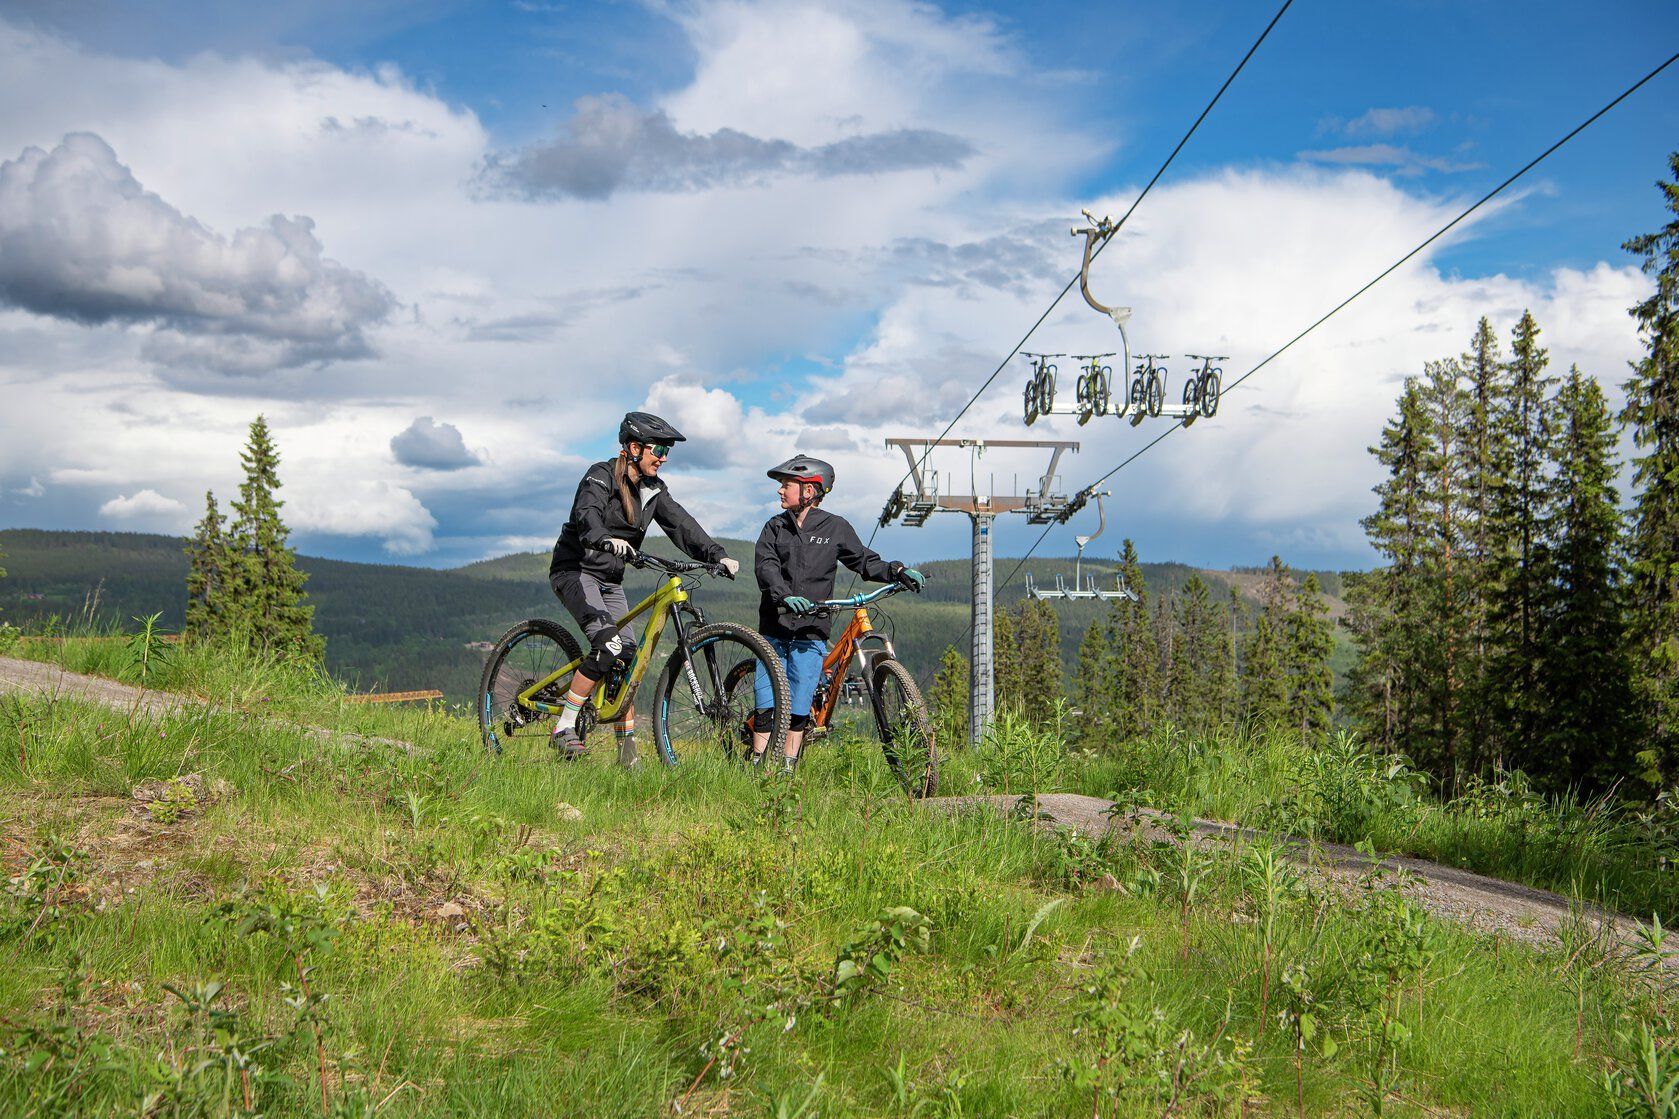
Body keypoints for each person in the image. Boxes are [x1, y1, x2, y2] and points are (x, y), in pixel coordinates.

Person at [548, 411, 739, 764]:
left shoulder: (653, 489)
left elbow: (681, 524)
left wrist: (717, 555)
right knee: (608, 644)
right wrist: (602, 538)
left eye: (667, 451)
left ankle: (627, 756)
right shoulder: (600, 476)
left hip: (610, 579)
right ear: (633, 447)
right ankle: (563, 726)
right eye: (658, 450)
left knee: (628, 659)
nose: (663, 458)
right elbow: (586, 515)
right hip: (576, 570)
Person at [752, 454, 924, 769]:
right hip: (774, 626)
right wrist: (784, 595)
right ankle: (756, 765)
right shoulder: (774, 527)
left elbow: (865, 561)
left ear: (809, 490)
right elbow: (766, 566)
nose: (780, 491)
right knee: (766, 702)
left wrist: (897, 571)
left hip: (812, 628)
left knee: (801, 701)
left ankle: (788, 767)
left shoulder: (835, 527)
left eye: (786, 485)